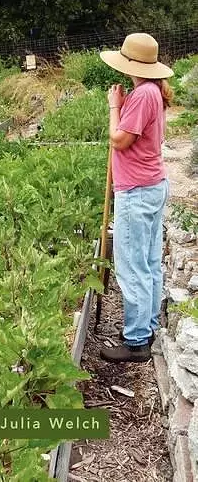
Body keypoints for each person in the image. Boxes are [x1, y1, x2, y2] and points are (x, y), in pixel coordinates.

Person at [98, 33, 174, 363]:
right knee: (149, 263)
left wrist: (114, 106)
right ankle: (147, 325)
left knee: (132, 267)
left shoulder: (142, 94)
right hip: (151, 185)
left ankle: (136, 341)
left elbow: (119, 140)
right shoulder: (151, 91)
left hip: (136, 191)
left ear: (131, 64)